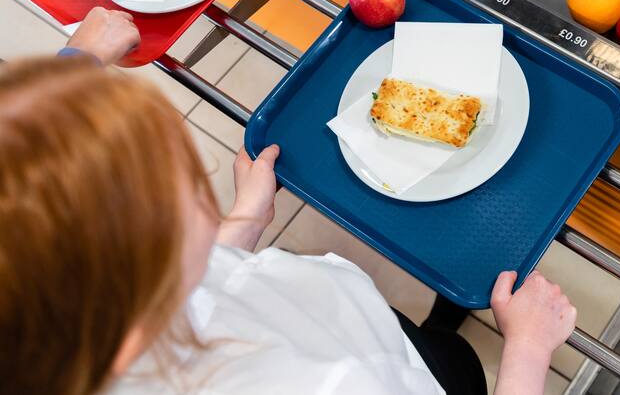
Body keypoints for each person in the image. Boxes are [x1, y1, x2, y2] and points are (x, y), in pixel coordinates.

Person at [0, 36, 577, 395]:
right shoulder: (328, 384)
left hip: (346, 325)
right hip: (400, 371)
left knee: (431, 343)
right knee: (454, 366)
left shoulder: (87, 322)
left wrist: (244, 222)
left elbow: (202, 284)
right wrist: (527, 348)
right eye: (175, 188)